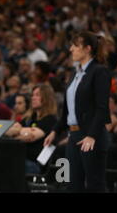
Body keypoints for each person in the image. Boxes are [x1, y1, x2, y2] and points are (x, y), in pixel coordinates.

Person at [44, 31, 112, 192]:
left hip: (91, 136)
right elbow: (68, 110)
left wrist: (92, 135)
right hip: (73, 136)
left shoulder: (99, 71)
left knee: (95, 185)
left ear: (87, 48)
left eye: (75, 45)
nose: (71, 49)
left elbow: (102, 108)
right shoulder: (75, 73)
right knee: (72, 185)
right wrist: (55, 131)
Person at [6, 85, 58, 174]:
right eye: (33, 95)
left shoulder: (50, 119)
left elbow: (31, 137)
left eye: (37, 95)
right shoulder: (29, 118)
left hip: (34, 164)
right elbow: (7, 130)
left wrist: (16, 132)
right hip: (21, 158)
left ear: (46, 98)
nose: (33, 98)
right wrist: (23, 132)